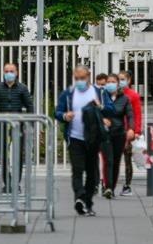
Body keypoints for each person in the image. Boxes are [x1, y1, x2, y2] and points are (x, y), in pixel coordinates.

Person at [54, 66, 107, 216]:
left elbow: (110, 108)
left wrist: (101, 107)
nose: (79, 81)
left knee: (92, 172)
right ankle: (79, 197)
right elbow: (57, 112)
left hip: (92, 138)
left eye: (82, 78)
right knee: (77, 170)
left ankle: (88, 202)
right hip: (75, 137)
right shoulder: (69, 93)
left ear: (89, 76)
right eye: (77, 78)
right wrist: (65, 116)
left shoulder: (98, 92)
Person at [0, 62, 33, 193]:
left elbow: (30, 106)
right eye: (6, 71)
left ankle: (16, 184)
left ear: (16, 73)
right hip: (2, 125)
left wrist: (30, 124)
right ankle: (7, 183)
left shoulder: (22, 88)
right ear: (3, 73)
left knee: (18, 156)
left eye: (12, 71)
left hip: (18, 125)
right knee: (4, 156)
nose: (9, 74)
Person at [101, 74, 134, 198]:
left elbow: (130, 115)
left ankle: (111, 187)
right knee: (108, 160)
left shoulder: (124, 99)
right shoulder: (102, 97)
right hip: (105, 134)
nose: (110, 84)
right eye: (108, 81)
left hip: (119, 134)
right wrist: (102, 119)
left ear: (117, 83)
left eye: (113, 81)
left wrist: (131, 128)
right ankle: (108, 187)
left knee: (115, 161)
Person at [117, 70, 143, 196]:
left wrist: (137, 131)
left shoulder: (133, 95)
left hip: (128, 131)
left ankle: (127, 185)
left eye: (123, 79)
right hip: (116, 130)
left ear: (128, 80)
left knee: (127, 159)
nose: (120, 81)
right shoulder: (114, 94)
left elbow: (138, 114)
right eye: (119, 79)